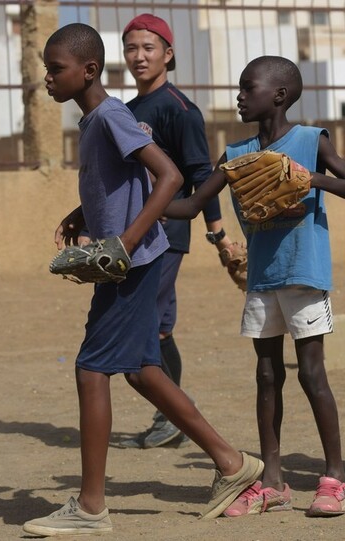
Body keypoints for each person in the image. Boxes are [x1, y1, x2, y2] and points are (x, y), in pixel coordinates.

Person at [21, 23, 263, 537]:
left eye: (56, 69)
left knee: (91, 370)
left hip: (131, 263)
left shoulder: (112, 115)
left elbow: (169, 176)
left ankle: (91, 508)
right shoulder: (96, 120)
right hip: (124, 262)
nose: (47, 78)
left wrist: (126, 244)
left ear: (88, 70)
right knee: (143, 371)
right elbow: (125, 181)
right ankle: (233, 464)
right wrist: (81, 213)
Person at [165, 55, 345, 517]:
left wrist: (309, 179)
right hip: (261, 277)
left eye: (248, 87)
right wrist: (143, 207)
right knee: (266, 375)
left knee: (312, 373)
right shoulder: (236, 154)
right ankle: (273, 482)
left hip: (304, 273)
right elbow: (193, 205)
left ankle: (336, 477)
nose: (239, 96)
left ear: (278, 95)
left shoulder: (310, 141)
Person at [116, 13, 244, 449]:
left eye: (148, 48)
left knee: (146, 326)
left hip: (166, 235)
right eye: (131, 48)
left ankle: (173, 415)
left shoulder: (179, 109)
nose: (139, 56)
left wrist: (219, 236)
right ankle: (171, 416)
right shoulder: (127, 111)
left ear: (168, 54)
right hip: (134, 233)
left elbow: (203, 176)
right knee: (158, 327)